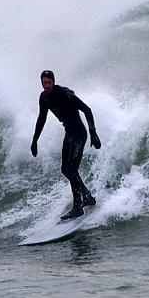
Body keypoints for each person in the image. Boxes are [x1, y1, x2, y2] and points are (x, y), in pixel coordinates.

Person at [31, 70, 101, 219]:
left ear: (53, 81)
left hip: (79, 134)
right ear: (41, 83)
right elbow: (41, 119)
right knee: (65, 169)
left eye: (49, 82)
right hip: (69, 133)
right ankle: (87, 197)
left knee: (72, 169)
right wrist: (35, 140)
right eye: (44, 83)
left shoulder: (65, 94)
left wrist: (93, 133)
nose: (47, 85)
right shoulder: (44, 98)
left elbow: (86, 110)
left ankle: (78, 207)